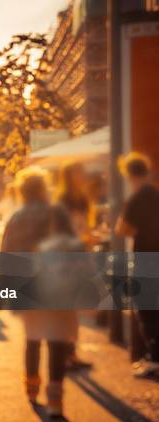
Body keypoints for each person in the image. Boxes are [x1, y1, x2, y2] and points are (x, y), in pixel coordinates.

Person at [0, 167, 75, 419]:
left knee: (32, 339)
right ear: (43, 189)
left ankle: (31, 389)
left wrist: (2, 290)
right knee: (56, 343)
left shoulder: (15, 218)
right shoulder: (57, 214)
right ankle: (55, 402)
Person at [116, 152, 159, 378]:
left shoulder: (136, 198)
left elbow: (123, 229)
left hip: (144, 259)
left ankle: (153, 358)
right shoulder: (155, 193)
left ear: (129, 174)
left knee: (146, 310)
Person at [56, 161, 96, 371]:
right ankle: (64, 353)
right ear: (70, 177)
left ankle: (70, 352)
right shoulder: (63, 201)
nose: (83, 177)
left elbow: (84, 226)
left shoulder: (81, 199)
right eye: (79, 173)